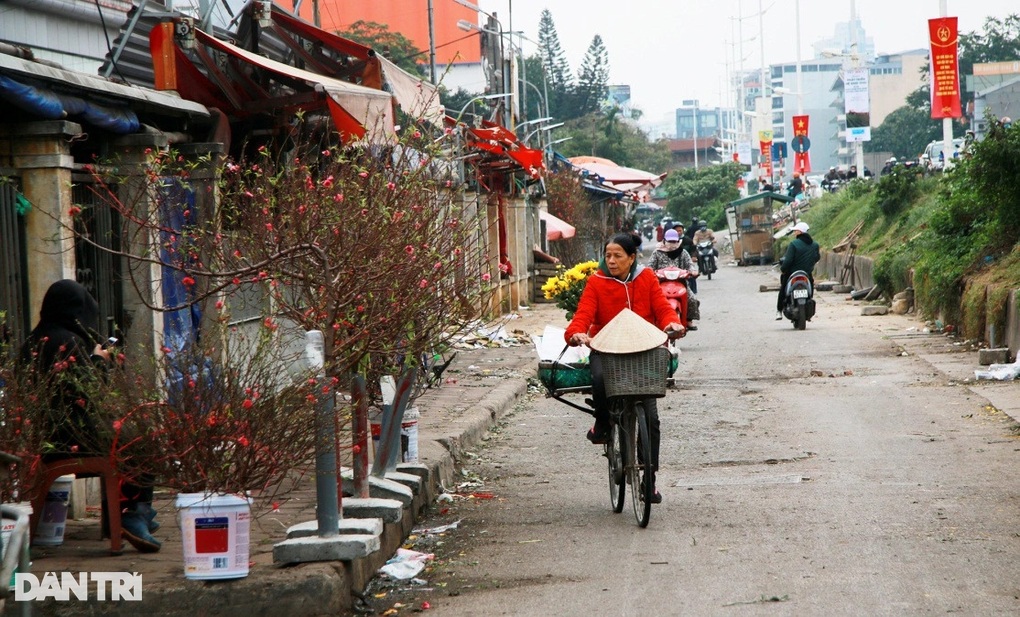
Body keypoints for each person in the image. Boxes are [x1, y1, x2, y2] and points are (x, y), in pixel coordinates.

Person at [20, 280, 162, 553]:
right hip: (72, 438)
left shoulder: (34, 339)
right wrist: (98, 360)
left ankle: (131, 515)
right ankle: (133, 513)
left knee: (127, 432)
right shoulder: (69, 341)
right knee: (142, 438)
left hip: (47, 436)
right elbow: (91, 394)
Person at [564, 234, 683, 503]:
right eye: (608, 255)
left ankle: (649, 483)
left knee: (651, 420)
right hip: (607, 348)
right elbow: (583, 314)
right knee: (599, 377)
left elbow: (662, 308)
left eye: (618, 255)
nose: (612, 260)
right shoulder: (597, 282)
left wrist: (672, 324)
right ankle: (603, 423)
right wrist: (576, 333)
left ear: (632, 258)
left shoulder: (647, 278)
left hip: (644, 349)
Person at [649, 229, 700, 329]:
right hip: (661, 282)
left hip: (680, 282)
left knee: (693, 299)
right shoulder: (657, 253)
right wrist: (651, 272)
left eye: (674, 241)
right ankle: (652, 321)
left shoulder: (683, 252)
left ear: (678, 241)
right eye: (670, 241)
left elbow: (690, 264)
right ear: (664, 240)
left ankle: (688, 320)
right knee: (650, 301)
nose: (672, 244)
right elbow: (650, 266)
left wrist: (693, 271)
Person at [776, 222, 821, 320]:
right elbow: (817, 257)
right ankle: (808, 304)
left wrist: (783, 270)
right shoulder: (815, 245)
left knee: (783, 288)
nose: (794, 232)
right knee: (811, 286)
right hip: (806, 273)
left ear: (800, 232)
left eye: (795, 231)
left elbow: (788, 261)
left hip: (792, 273)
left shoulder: (794, 244)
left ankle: (779, 310)